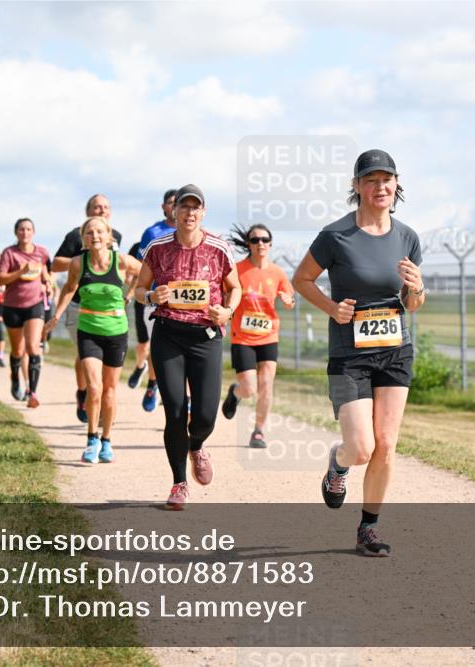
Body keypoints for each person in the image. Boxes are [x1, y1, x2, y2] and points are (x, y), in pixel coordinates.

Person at [292, 149, 425, 557]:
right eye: (371, 180)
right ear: (357, 186)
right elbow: (302, 279)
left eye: (387, 180)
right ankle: (339, 463)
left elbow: (412, 304)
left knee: (386, 443)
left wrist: (417, 287)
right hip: (349, 356)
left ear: (396, 184)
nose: (380, 187)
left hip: (395, 351)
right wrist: (332, 308)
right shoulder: (335, 235)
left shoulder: (407, 237)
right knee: (361, 447)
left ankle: (368, 528)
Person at [134, 184, 241, 510]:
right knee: (176, 411)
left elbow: (235, 288)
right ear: (174, 211)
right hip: (168, 335)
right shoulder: (158, 247)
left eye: (195, 207)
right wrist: (151, 296)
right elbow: (139, 289)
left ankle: (197, 445)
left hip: (206, 337)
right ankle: (179, 483)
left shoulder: (219, 248)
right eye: (184, 206)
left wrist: (227, 311)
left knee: (206, 415)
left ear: (203, 212)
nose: (189, 213)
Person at [45, 215, 143, 464]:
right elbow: (69, 288)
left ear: (109, 236)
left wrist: (132, 293)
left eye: (100, 232)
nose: (95, 236)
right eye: (89, 233)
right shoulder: (78, 263)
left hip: (116, 332)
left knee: (109, 390)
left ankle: (107, 440)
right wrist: (56, 316)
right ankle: (92, 440)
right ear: (84, 239)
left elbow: (147, 273)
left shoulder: (122, 261)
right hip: (88, 330)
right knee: (95, 388)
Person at [220, 224, 295, 448]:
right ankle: (236, 392)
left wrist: (288, 301)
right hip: (242, 337)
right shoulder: (237, 270)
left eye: (264, 239)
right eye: (255, 240)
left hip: (269, 336)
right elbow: (224, 293)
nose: (260, 243)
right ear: (249, 244)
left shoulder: (278, 272)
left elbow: (289, 297)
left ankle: (259, 432)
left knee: (266, 384)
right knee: (249, 388)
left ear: (270, 244)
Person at [53, 194, 123, 423]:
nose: (101, 210)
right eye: (97, 207)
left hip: (108, 310)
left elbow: (125, 267)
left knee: (103, 363)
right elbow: (56, 264)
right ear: (88, 212)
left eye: (105, 207)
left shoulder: (116, 236)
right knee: (86, 355)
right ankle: (83, 392)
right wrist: (86, 258)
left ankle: (100, 405)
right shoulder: (76, 235)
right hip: (79, 305)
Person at [131, 189, 177, 411]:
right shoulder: (153, 232)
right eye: (171, 202)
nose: (175, 206)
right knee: (153, 346)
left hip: (184, 303)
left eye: (180, 202)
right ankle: (152, 383)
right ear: (163, 207)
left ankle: (183, 401)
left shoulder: (194, 232)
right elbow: (141, 267)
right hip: (156, 299)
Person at [0, 218, 51, 407]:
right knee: (18, 351)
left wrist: (48, 283)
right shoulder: (9, 253)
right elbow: (0, 279)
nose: (25, 232)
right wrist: (20, 272)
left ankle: (32, 393)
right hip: (12, 306)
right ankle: (15, 378)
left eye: (28, 229)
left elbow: (46, 270)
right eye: (21, 229)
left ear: (33, 232)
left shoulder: (42, 252)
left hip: (35, 304)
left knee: (33, 347)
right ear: (16, 232)